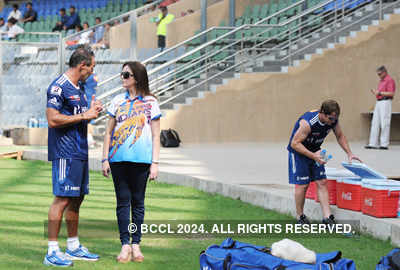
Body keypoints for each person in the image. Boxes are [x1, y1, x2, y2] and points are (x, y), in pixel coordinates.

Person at [44, 45, 102, 267]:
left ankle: (74, 246)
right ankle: (51, 251)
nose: (92, 72)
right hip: (64, 152)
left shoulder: (80, 88)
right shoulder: (59, 87)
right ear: (82, 65)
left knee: (77, 199)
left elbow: (78, 117)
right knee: (62, 199)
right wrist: (84, 115)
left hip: (80, 151)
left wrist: (91, 113)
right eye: (91, 67)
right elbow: (52, 119)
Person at [102, 61, 161, 263]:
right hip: (118, 160)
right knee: (122, 203)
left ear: (137, 77)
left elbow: (155, 135)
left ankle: (136, 244)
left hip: (141, 161)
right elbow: (108, 132)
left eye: (126, 74)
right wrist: (104, 159)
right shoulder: (117, 101)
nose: (122, 78)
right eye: (122, 74)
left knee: (138, 203)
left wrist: (155, 163)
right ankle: (124, 245)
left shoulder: (151, 102)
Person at [287, 100, 361, 225]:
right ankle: (300, 216)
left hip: (316, 150)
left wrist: (349, 153)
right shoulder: (308, 123)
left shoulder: (333, 120)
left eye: (335, 119)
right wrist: (313, 156)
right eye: (331, 119)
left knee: (322, 181)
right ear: (323, 113)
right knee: (302, 185)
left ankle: (328, 218)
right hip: (299, 153)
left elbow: (340, 136)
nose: (333, 122)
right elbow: (294, 144)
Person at [365, 66, 396, 150]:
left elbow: (391, 93)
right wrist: (377, 93)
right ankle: (372, 143)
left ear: (384, 72)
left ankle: (384, 144)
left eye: (380, 74)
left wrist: (379, 92)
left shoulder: (390, 80)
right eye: (378, 74)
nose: (379, 75)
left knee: (384, 123)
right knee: (375, 122)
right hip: (379, 102)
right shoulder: (381, 81)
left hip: (386, 102)